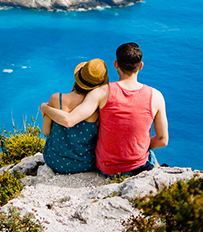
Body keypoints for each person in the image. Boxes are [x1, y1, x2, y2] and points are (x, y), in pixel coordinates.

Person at [40, 42, 168, 176]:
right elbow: (163, 140)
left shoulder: (101, 93)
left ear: (116, 64)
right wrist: (138, 147)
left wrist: (45, 107)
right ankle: (162, 174)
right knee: (150, 155)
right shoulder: (156, 96)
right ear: (141, 66)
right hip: (137, 166)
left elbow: (70, 120)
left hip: (107, 169)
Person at [41, 58, 109, 173]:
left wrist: (45, 108)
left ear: (77, 78)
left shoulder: (57, 99)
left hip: (55, 161)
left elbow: (46, 131)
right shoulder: (96, 110)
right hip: (86, 164)